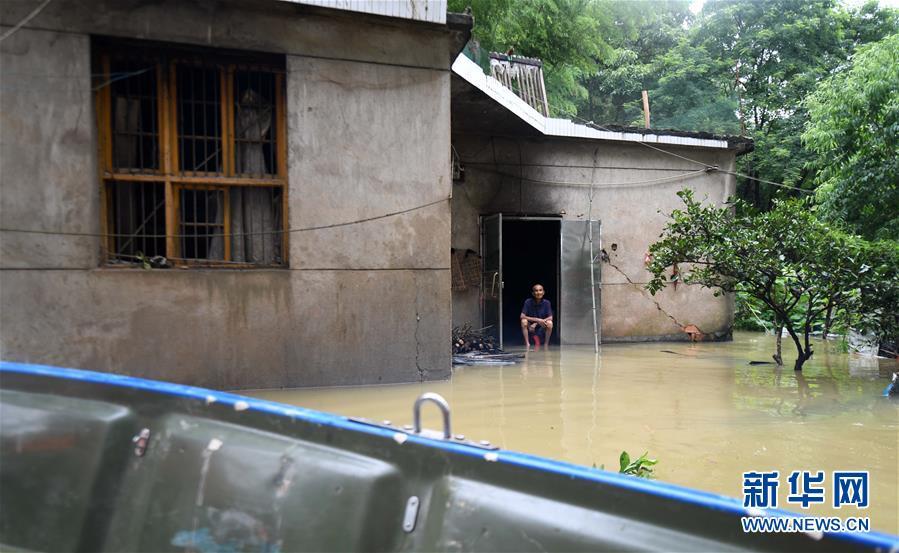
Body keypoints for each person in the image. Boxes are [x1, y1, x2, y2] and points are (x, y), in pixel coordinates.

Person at [520, 283, 553, 350]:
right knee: (523, 321)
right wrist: (537, 320)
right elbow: (522, 316)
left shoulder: (547, 303)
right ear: (533, 293)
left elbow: (550, 317)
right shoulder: (528, 302)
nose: (538, 292)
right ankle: (527, 344)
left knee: (550, 323)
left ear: (543, 292)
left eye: (540, 290)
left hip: (541, 324)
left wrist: (537, 322)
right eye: (536, 290)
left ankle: (546, 344)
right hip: (530, 325)